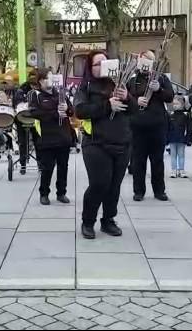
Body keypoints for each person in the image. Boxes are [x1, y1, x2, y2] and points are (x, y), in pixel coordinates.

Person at [75, 50, 137, 240]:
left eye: (105, 62)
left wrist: (127, 97)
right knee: (99, 184)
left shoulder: (119, 84)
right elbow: (80, 110)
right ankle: (88, 221)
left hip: (122, 142)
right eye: (97, 64)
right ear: (90, 68)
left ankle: (108, 220)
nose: (102, 66)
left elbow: (134, 110)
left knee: (114, 186)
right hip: (96, 143)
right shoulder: (85, 87)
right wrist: (107, 105)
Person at [127, 50, 175, 201]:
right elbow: (125, 98)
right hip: (137, 126)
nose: (145, 63)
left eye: (148, 60)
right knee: (138, 160)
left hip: (157, 125)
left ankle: (159, 190)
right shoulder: (133, 79)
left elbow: (170, 97)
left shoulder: (161, 78)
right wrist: (136, 101)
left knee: (157, 160)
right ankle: (138, 191)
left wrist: (159, 89)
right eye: (143, 60)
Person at [30, 68, 73, 205]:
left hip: (63, 137)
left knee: (63, 167)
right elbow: (34, 113)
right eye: (47, 78)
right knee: (47, 168)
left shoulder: (61, 94)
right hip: (47, 138)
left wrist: (67, 108)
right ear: (41, 81)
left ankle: (61, 193)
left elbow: (71, 112)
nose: (50, 80)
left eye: (51, 77)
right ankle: (44, 193)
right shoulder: (36, 95)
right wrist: (55, 113)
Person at [13, 76, 37, 175]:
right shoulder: (20, 91)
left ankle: (40, 163)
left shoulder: (38, 91)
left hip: (34, 118)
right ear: (31, 84)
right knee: (22, 142)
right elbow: (17, 105)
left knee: (37, 140)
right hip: (21, 118)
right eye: (34, 85)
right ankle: (23, 164)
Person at [167, 96, 192, 178]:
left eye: (177, 104)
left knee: (181, 155)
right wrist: (166, 138)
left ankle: (181, 170)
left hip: (182, 138)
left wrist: (189, 139)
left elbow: (189, 128)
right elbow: (167, 127)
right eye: (174, 104)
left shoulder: (186, 115)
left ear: (182, 105)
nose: (175, 105)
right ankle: (174, 170)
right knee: (173, 155)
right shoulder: (170, 115)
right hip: (172, 138)